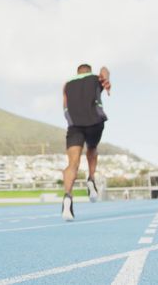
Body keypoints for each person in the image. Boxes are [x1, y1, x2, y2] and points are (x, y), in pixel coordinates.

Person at [61, 63, 111, 221]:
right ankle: (90, 178)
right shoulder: (96, 79)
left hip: (75, 126)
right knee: (92, 148)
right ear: (90, 71)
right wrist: (106, 78)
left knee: (72, 164)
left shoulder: (67, 85)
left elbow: (65, 106)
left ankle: (67, 198)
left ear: (77, 73)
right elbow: (104, 69)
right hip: (94, 123)